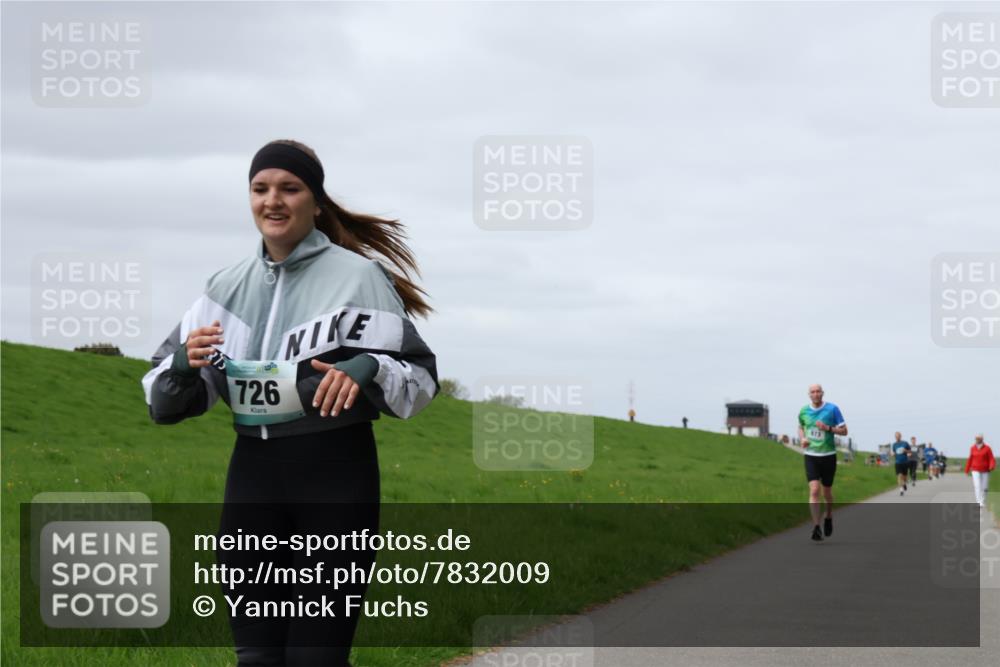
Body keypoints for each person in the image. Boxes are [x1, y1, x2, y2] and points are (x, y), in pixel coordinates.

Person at [140, 139, 439, 667]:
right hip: (252, 483)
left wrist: (367, 366)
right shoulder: (224, 287)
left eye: (289, 188)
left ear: (316, 202)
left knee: (314, 659)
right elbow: (164, 400)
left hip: (335, 481)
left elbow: (419, 378)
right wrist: (185, 366)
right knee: (256, 658)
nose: (272, 200)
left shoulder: (358, 279)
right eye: (260, 189)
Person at [797, 384, 848, 542]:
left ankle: (829, 516)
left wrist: (827, 428)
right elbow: (800, 426)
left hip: (828, 455)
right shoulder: (803, 411)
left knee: (826, 492)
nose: (816, 394)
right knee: (814, 490)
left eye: (818, 391)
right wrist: (803, 438)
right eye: (813, 392)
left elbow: (844, 431)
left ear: (822, 393)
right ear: (809, 395)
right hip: (811, 455)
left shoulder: (832, 409)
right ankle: (816, 527)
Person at [965, 434, 996, 509]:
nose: (977, 440)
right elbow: (970, 458)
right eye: (976, 439)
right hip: (975, 470)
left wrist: (992, 466)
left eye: (978, 438)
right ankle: (979, 502)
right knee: (977, 486)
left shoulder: (987, 448)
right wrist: (967, 468)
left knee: (984, 487)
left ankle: (983, 500)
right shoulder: (972, 448)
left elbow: (991, 458)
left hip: (985, 470)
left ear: (982, 439)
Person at [891, 432, 911, 496]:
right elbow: (893, 453)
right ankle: (901, 489)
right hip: (898, 463)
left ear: (900, 436)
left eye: (898, 436)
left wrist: (906, 451)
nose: (897, 437)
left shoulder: (905, 443)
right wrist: (893, 454)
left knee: (904, 477)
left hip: (905, 462)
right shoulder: (894, 444)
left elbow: (910, 451)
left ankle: (904, 483)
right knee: (899, 476)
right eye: (896, 436)